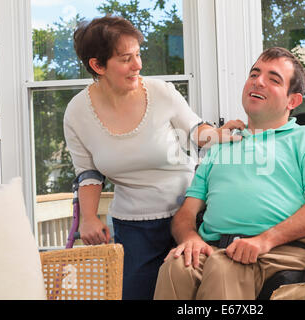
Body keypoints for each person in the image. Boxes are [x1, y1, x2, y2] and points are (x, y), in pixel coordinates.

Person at [63, 15, 244, 300]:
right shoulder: (76, 113)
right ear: (98, 65)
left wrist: (219, 134)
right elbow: (88, 173)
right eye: (125, 59)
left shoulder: (160, 92)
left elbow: (196, 130)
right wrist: (88, 218)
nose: (138, 65)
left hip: (189, 212)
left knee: (200, 294)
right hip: (133, 227)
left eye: (138, 54)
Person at [153, 47, 305, 300]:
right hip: (218, 249)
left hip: (286, 249)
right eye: (254, 74)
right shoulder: (222, 147)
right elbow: (185, 214)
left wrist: (264, 240)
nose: (259, 81)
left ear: (293, 100)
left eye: (273, 79)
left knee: (226, 267)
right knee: (177, 266)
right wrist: (190, 238)